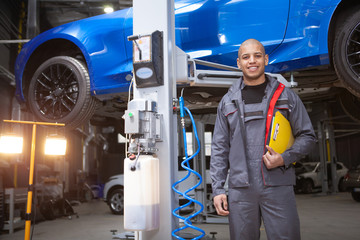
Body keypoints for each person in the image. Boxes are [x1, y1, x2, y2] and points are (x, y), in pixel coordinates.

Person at [210, 39, 316, 239]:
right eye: (246, 57)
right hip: (240, 188)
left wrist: (284, 158)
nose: (252, 61)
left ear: (265, 59)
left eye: (257, 55)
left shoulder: (286, 96)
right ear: (238, 63)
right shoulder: (227, 102)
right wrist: (217, 189)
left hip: (277, 184)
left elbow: (308, 136)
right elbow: (219, 148)